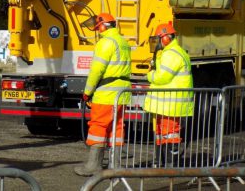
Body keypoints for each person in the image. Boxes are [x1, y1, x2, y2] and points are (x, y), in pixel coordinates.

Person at [74, 13, 131, 176]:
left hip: (106, 94)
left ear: (105, 26)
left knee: (98, 126)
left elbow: (96, 70)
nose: (98, 30)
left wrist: (87, 92)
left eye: (98, 27)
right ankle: (116, 165)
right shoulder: (123, 41)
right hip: (122, 93)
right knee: (117, 127)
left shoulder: (105, 42)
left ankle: (93, 165)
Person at [143, 23, 194, 167]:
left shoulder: (172, 54)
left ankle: (170, 166)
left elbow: (162, 77)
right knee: (162, 133)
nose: (158, 42)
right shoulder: (172, 52)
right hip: (166, 104)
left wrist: (149, 75)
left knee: (170, 134)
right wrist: (158, 57)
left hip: (170, 104)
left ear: (165, 38)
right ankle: (162, 163)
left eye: (159, 39)